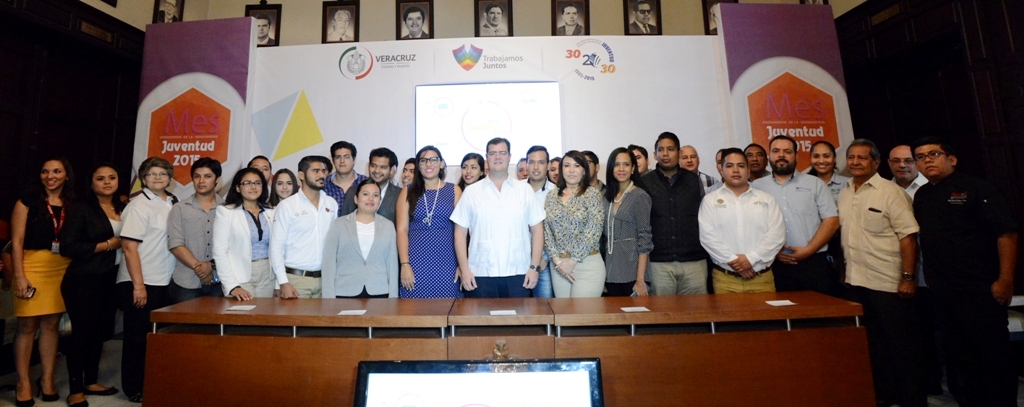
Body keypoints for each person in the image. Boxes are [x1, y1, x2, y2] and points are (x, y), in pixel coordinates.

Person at [912, 137, 1019, 407]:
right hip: (944, 291)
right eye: (920, 156)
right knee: (961, 357)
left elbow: (1006, 234)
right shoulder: (922, 196)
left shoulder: (977, 188)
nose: (927, 160)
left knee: (993, 356)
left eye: (934, 154)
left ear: (952, 159)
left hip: (981, 288)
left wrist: (1006, 280)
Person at [838, 139, 924, 407]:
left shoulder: (890, 192)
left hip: (888, 283)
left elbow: (908, 237)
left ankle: (912, 400)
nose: (855, 162)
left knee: (901, 347)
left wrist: (908, 277)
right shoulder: (845, 191)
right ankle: (886, 396)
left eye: (862, 158)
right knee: (873, 345)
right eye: (851, 157)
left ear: (875, 163)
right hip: (856, 282)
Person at [10, 158, 75, 406]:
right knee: (27, 326)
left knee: (51, 324)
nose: (51, 176)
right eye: (45, 171)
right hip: (31, 266)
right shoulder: (26, 202)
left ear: (66, 175)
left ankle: (47, 380)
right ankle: (23, 382)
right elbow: (16, 241)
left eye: (57, 171)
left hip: (61, 267)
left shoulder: (73, 203)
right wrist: (19, 275)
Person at [59, 163, 123, 406]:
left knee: (99, 333)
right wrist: (107, 245)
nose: (107, 182)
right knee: (82, 335)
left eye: (112, 177)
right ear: (91, 183)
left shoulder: (123, 207)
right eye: (100, 178)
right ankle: (75, 390)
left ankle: (91, 381)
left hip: (111, 278)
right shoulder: (81, 208)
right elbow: (68, 247)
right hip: (84, 280)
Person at [451, 137, 545, 298]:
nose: (498, 157)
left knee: (521, 315)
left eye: (502, 152)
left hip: (520, 273)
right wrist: (465, 270)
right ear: (487, 157)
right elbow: (459, 234)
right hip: (480, 274)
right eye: (493, 153)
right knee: (479, 315)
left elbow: (537, 230)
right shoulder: (471, 192)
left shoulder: (525, 190)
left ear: (509, 156)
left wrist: (534, 268)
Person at [118, 157, 178, 403]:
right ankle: (134, 388)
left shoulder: (172, 202)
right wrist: (139, 286)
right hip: (142, 282)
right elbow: (129, 248)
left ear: (169, 178)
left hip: (165, 281)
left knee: (158, 339)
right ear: (143, 178)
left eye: (162, 174)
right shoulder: (138, 205)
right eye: (152, 174)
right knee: (137, 339)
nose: (157, 178)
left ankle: (154, 384)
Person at [889, 143, 945, 396]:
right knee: (911, 332)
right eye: (896, 161)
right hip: (896, 274)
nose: (902, 165)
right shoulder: (884, 189)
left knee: (938, 331)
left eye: (909, 160)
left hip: (933, 273)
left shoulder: (931, 189)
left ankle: (938, 382)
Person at [751, 136, 840, 296]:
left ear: (796, 156)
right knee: (781, 309)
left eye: (787, 151)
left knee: (819, 309)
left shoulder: (815, 183)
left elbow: (832, 220)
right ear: (769, 156)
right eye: (776, 151)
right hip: (773, 264)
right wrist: (774, 251)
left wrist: (808, 250)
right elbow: (751, 224)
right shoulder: (756, 187)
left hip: (813, 262)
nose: (781, 155)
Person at [700, 148, 785, 294]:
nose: (735, 170)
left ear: (748, 170)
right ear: (721, 170)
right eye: (729, 166)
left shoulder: (766, 199)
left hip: (761, 279)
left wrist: (750, 260)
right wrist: (735, 262)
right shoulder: (710, 200)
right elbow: (708, 237)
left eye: (741, 165)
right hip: (725, 280)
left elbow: (776, 235)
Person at [640, 132, 707, 296]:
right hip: (659, 263)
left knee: (697, 310)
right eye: (661, 150)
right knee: (662, 311)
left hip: (693, 261)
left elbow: (704, 217)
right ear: (655, 155)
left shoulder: (693, 180)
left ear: (679, 152)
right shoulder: (644, 182)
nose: (665, 154)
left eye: (670, 149)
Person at [270, 155, 337, 299]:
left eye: (323, 171)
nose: (321, 175)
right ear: (301, 175)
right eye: (315, 171)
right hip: (295, 280)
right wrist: (283, 283)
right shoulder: (287, 206)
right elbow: (276, 246)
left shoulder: (331, 203)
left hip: (325, 280)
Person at [398, 147, 462, 298]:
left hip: (447, 261)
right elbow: (401, 230)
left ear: (441, 164)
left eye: (433, 160)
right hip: (415, 261)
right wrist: (405, 264)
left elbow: (461, 231)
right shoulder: (407, 191)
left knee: (448, 305)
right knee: (413, 307)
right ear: (418, 165)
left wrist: (462, 265)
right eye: (423, 160)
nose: (428, 164)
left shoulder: (454, 190)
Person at [323, 180, 399, 298]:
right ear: (355, 199)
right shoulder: (338, 225)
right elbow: (329, 263)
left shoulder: (388, 226)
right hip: (345, 290)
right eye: (365, 194)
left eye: (375, 195)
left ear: (380, 200)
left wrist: (393, 297)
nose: (371, 198)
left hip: (379, 291)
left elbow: (392, 264)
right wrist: (328, 298)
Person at [544, 151, 605, 298]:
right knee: (562, 311)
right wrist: (557, 262)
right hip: (559, 266)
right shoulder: (551, 195)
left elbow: (593, 231)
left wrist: (572, 262)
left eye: (577, 166)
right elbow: (546, 231)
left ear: (584, 170)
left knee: (581, 311)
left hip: (587, 265)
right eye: (567, 165)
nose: (571, 170)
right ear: (561, 169)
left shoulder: (592, 194)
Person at [213, 169, 276, 301]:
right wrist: (232, 286)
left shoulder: (271, 211)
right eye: (247, 183)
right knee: (245, 312)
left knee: (265, 313)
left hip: (268, 275)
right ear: (238, 188)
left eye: (257, 183)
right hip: (239, 275)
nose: (253, 187)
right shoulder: (226, 212)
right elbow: (219, 252)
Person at [167, 158, 223, 303]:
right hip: (186, 283)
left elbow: (232, 246)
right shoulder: (179, 208)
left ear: (217, 179)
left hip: (220, 282)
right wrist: (201, 270)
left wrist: (211, 266)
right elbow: (175, 244)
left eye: (207, 176)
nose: (201, 181)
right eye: (197, 176)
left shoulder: (227, 209)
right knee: (184, 319)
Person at [603, 148, 652, 297]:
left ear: (633, 169)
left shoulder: (640, 196)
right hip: (610, 270)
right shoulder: (606, 197)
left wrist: (640, 279)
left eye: (626, 164)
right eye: (616, 164)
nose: (621, 169)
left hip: (632, 270)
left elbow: (645, 238)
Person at [524, 146, 557, 298]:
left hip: (545, 263)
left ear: (548, 165)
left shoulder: (556, 193)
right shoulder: (516, 190)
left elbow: (557, 232)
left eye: (541, 162)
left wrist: (545, 258)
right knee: (518, 307)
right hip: (518, 260)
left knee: (544, 307)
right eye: (532, 162)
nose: (536, 167)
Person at [341, 148, 401, 224]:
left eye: (383, 167)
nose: (377, 170)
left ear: (392, 170)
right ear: (368, 166)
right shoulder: (353, 191)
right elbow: (344, 222)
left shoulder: (400, 194)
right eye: (373, 166)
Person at [323, 141, 365, 218]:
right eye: (338, 157)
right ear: (333, 161)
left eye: (346, 157)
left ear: (354, 160)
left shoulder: (366, 183)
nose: (342, 161)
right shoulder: (323, 184)